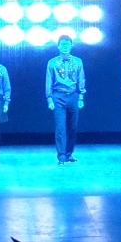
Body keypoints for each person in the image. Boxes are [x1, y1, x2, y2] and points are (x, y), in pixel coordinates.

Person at [46, 35, 86, 165]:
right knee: (60, 127)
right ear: (58, 46)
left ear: (71, 46)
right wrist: (49, 99)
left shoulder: (78, 62)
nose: (65, 46)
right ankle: (61, 156)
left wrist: (81, 96)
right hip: (58, 96)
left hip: (73, 95)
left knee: (72, 127)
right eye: (63, 44)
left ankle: (69, 153)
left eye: (67, 44)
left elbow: (81, 79)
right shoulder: (52, 62)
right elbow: (49, 80)